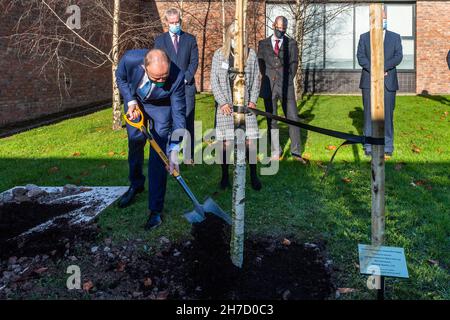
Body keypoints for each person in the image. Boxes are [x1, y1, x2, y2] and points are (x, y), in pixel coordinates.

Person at [116, 49, 186, 230]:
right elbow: (121, 78)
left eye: (165, 76)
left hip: (161, 108)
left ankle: (155, 210)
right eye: (157, 78)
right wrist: (130, 100)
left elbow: (178, 114)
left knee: (159, 152)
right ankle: (136, 183)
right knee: (135, 141)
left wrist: (175, 148)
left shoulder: (177, 77)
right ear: (144, 67)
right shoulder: (130, 60)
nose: (162, 81)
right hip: (135, 103)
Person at [210, 23, 262, 191]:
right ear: (228, 37)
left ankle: (253, 175)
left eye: (238, 37)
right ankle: (225, 176)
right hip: (226, 106)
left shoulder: (251, 55)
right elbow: (214, 81)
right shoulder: (219, 54)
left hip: (246, 106)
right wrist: (222, 102)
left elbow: (256, 79)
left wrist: (253, 101)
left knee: (250, 142)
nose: (235, 40)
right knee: (225, 143)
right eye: (233, 37)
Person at [257, 16, 306, 164]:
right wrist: (268, 76)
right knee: (271, 120)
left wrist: (287, 79)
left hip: (286, 87)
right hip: (269, 87)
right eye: (279, 28)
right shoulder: (263, 43)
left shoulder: (291, 43)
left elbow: (294, 63)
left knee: (293, 119)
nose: (281, 31)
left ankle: (296, 152)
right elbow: (260, 62)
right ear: (273, 26)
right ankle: (276, 151)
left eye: (284, 29)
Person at [155, 8, 199, 163]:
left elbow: (194, 62)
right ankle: (169, 155)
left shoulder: (190, 39)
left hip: (186, 87)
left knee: (187, 121)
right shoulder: (160, 41)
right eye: (172, 22)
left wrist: (185, 79)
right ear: (167, 23)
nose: (175, 25)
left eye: (177, 22)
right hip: (167, 88)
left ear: (180, 21)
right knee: (168, 122)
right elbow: (157, 62)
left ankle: (189, 156)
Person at [357, 8, 403, 156]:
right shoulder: (364, 37)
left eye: (385, 18)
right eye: (380, 18)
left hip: (388, 81)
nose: (383, 20)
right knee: (369, 114)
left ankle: (388, 146)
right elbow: (361, 57)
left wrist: (382, 68)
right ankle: (369, 145)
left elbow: (398, 56)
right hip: (369, 81)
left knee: (388, 115)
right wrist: (375, 70)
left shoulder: (395, 37)